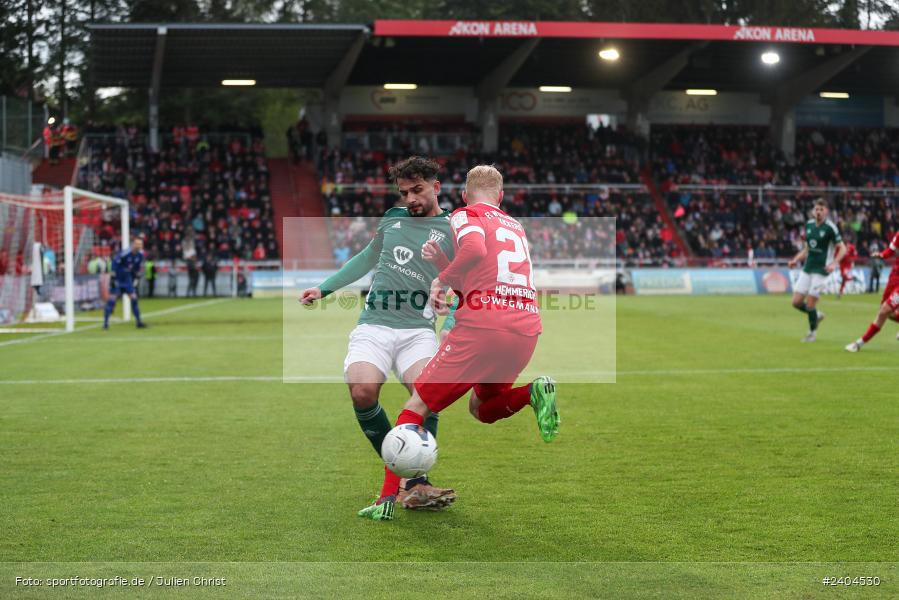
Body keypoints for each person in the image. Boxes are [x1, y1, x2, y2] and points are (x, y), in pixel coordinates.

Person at [357, 164, 559, 522]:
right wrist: (447, 264)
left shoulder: (465, 216)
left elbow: (476, 250)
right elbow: (484, 271)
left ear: (465, 195)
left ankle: (387, 499)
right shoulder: (515, 226)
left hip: (483, 327)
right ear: (501, 196)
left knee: (413, 408)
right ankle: (533, 392)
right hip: (525, 329)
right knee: (483, 407)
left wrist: (441, 280)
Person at [300, 156, 457, 511]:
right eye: (404, 193)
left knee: (426, 394)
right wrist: (324, 288)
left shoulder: (454, 228)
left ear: (436, 186)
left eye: (417, 190)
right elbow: (366, 257)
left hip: (418, 330)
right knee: (363, 391)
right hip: (374, 325)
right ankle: (405, 475)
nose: (411, 199)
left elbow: (469, 282)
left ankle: (416, 482)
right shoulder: (392, 220)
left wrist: (450, 322)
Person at [787, 199, 846, 343]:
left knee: (810, 303)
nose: (818, 212)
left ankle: (812, 333)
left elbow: (843, 248)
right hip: (808, 268)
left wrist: (834, 263)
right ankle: (816, 315)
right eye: (816, 209)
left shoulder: (830, 228)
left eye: (821, 209)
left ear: (826, 211)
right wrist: (795, 259)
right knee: (796, 302)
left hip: (822, 271)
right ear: (813, 211)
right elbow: (807, 249)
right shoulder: (809, 225)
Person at [845, 231, 899, 351]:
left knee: (884, 310)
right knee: (887, 313)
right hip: (894, 276)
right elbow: (891, 250)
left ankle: (858, 344)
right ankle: (858, 344)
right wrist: (881, 255)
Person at [103, 238, 147, 330]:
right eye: (137, 244)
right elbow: (114, 264)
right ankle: (105, 323)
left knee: (134, 299)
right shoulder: (124, 253)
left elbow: (136, 269)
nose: (139, 246)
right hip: (118, 280)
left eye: (140, 244)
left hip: (127, 281)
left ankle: (139, 322)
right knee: (111, 301)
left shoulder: (140, 256)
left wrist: (136, 276)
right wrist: (113, 278)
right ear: (133, 244)